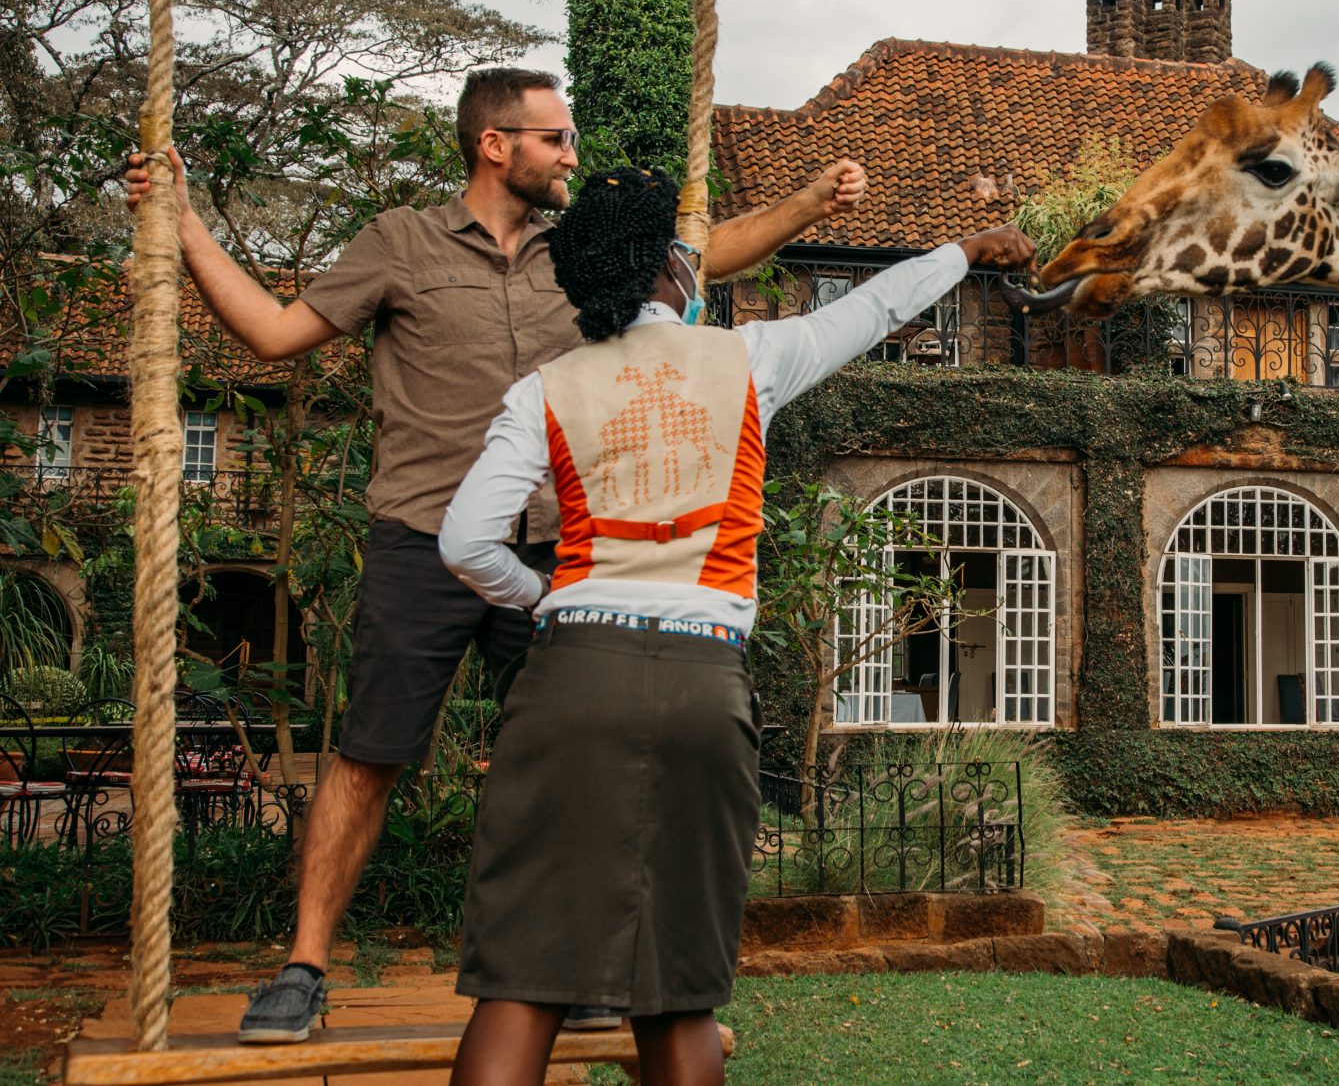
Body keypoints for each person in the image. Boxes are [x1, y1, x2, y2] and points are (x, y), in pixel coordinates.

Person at [124, 68, 870, 1043]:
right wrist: (181, 223)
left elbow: (708, 254)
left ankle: (595, 974)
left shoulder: (588, 257)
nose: (571, 155)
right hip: (424, 538)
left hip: (565, 558)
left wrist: (807, 204)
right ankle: (303, 970)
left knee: (585, 761)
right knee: (369, 756)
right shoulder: (402, 244)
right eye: (555, 139)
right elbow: (271, 333)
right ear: (494, 144)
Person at [435, 167, 1033, 1084]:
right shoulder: (747, 357)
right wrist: (967, 250)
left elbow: (467, 541)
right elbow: (870, 311)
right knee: (679, 988)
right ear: (673, 264)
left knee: (520, 978)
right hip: (702, 680)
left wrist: (542, 594)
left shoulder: (543, 389)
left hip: (571, 677)